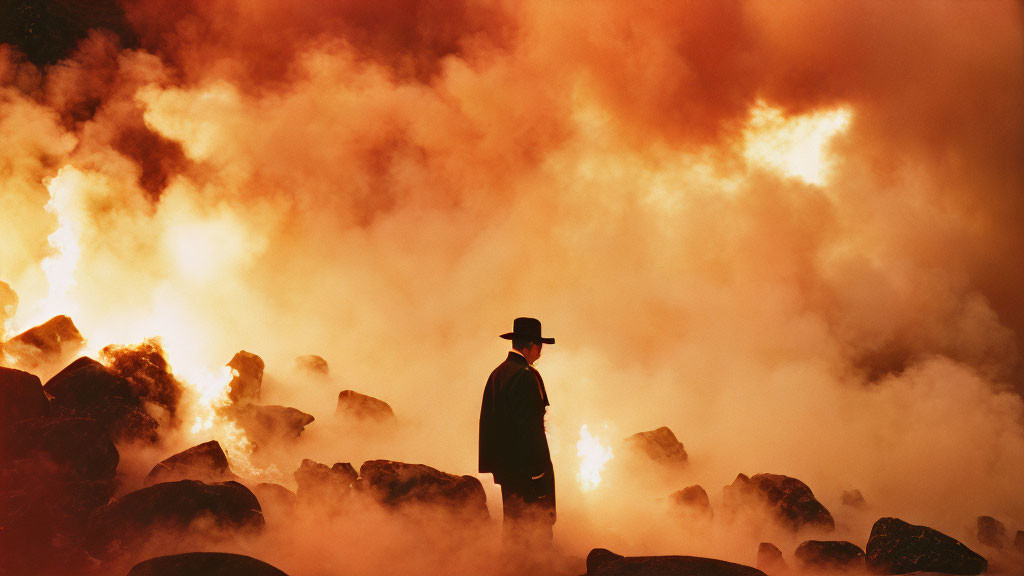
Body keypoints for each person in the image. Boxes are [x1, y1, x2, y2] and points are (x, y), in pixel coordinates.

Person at [479, 317, 556, 552]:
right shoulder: (525, 375)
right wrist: (538, 474)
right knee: (535, 530)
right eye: (540, 347)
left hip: (507, 469)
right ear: (531, 346)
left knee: (513, 526)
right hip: (526, 472)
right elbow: (529, 430)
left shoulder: (498, 373)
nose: (540, 354)